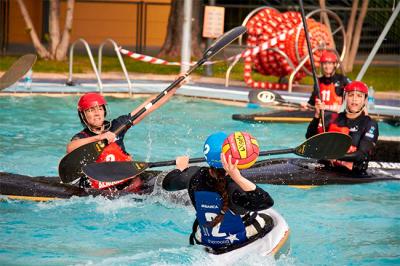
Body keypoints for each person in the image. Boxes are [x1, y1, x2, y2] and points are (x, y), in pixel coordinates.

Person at [164, 132, 274, 253]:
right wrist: (238, 178)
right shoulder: (236, 187)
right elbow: (266, 202)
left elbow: (167, 184)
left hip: (204, 239)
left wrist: (181, 168)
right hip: (238, 240)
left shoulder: (193, 175)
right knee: (268, 218)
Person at [67, 84, 182, 188]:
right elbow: (70, 148)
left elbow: (151, 105)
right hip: (98, 186)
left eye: (100, 109)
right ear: (83, 115)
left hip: (125, 181)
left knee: (142, 181)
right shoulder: (83, 136)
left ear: (104, 111)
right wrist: (98, 138)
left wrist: (175, 86)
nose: (97, 113)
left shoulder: (117, 126)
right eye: (91, 110)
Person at [306, 81, 379, 173]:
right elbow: (310, 138)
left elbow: (362, 155)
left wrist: (334, 156)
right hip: (326, 170)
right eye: (351, 95)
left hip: (352, 175)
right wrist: (317, 116)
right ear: (345, 97)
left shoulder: (370, 124)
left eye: (359, 96)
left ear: (365, 100)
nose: (354, 99)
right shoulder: (333, 118)